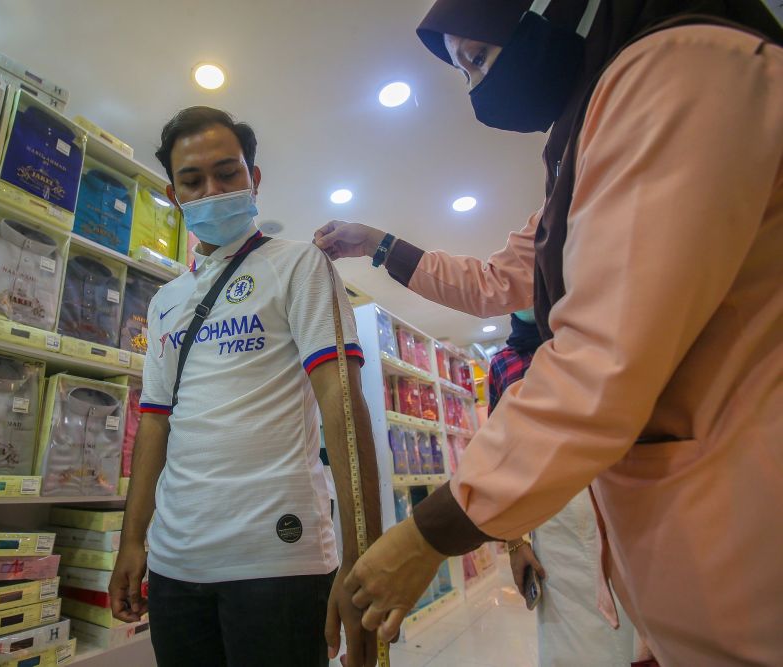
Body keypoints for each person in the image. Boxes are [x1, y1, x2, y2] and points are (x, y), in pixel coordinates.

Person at [315, 1, 783, 664]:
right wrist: (380, 242)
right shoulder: (584, 140)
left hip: (750, 543)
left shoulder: (675, 71)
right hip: (691, 569)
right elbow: (487, 281)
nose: (476, 87)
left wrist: (433, 528)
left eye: (476, 58)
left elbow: (600, 359)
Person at [108, 106, 383, 667]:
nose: (212, 190)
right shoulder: (165, 302)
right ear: (174, 193)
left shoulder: (300, 266)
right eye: (193, 180)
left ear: (254, 178)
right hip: (175, 564)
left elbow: (340, 404)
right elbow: (156, 421)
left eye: (227, 172)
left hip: (280, 563)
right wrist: (132, 541)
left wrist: (362, 556)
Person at [492, 310, 636, 667]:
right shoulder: (504, 364)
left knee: (638, 637)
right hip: (554, 522)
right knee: (571, 645)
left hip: (623, 508)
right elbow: (501, 456)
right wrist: (514, 542)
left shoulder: (587, 339)